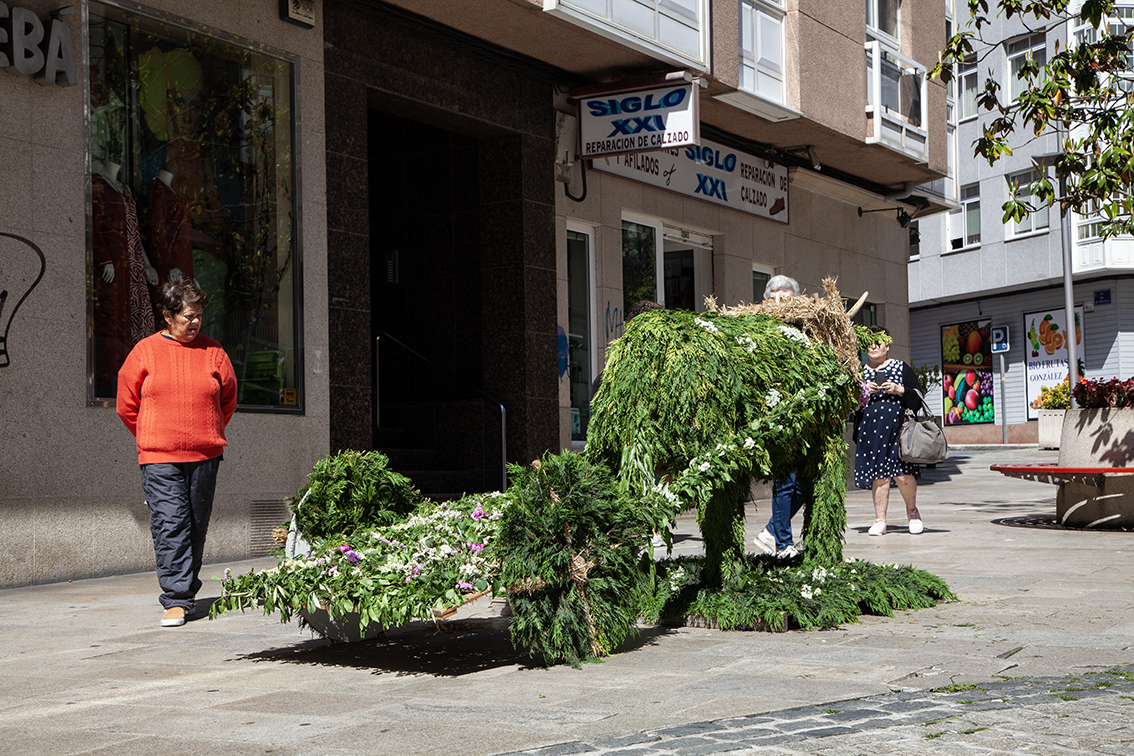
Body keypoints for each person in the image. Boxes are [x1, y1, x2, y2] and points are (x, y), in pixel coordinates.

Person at [117, 279, 237, 626]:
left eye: (199, 315)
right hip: (159, 457)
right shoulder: (145, 351)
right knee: (171, 525)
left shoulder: (214, 353)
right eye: (188, 316)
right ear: (167, 316)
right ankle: (176, 600)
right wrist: (153, 435)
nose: (195, 322)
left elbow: (227, 400)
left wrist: (209, 430)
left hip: (205, 455)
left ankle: (185, 592)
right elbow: (127, 405)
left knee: (196, 526)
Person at [752, 275, 809, 558]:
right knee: (785, 480)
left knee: (805, 482)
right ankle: (783, 544)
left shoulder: (804, 330)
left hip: (802, 414)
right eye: (775, 298)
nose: (781, 304)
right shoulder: (758, 328)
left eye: (787, 299)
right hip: (773, 417)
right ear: (766, 300)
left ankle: (772, 530)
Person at [854, 326, 924, 536]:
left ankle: (912, 512)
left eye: (879, 342)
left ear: (888, 345)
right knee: (880, 477)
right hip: (871, 432)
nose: (873, 346)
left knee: (904, 476)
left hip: (899, 431)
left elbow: (919, 397)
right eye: (870, 343)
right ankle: (880, 520)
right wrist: (863, 392)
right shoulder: (858, 371)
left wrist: (899, 390)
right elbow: (847, 403)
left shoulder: (900, 367)